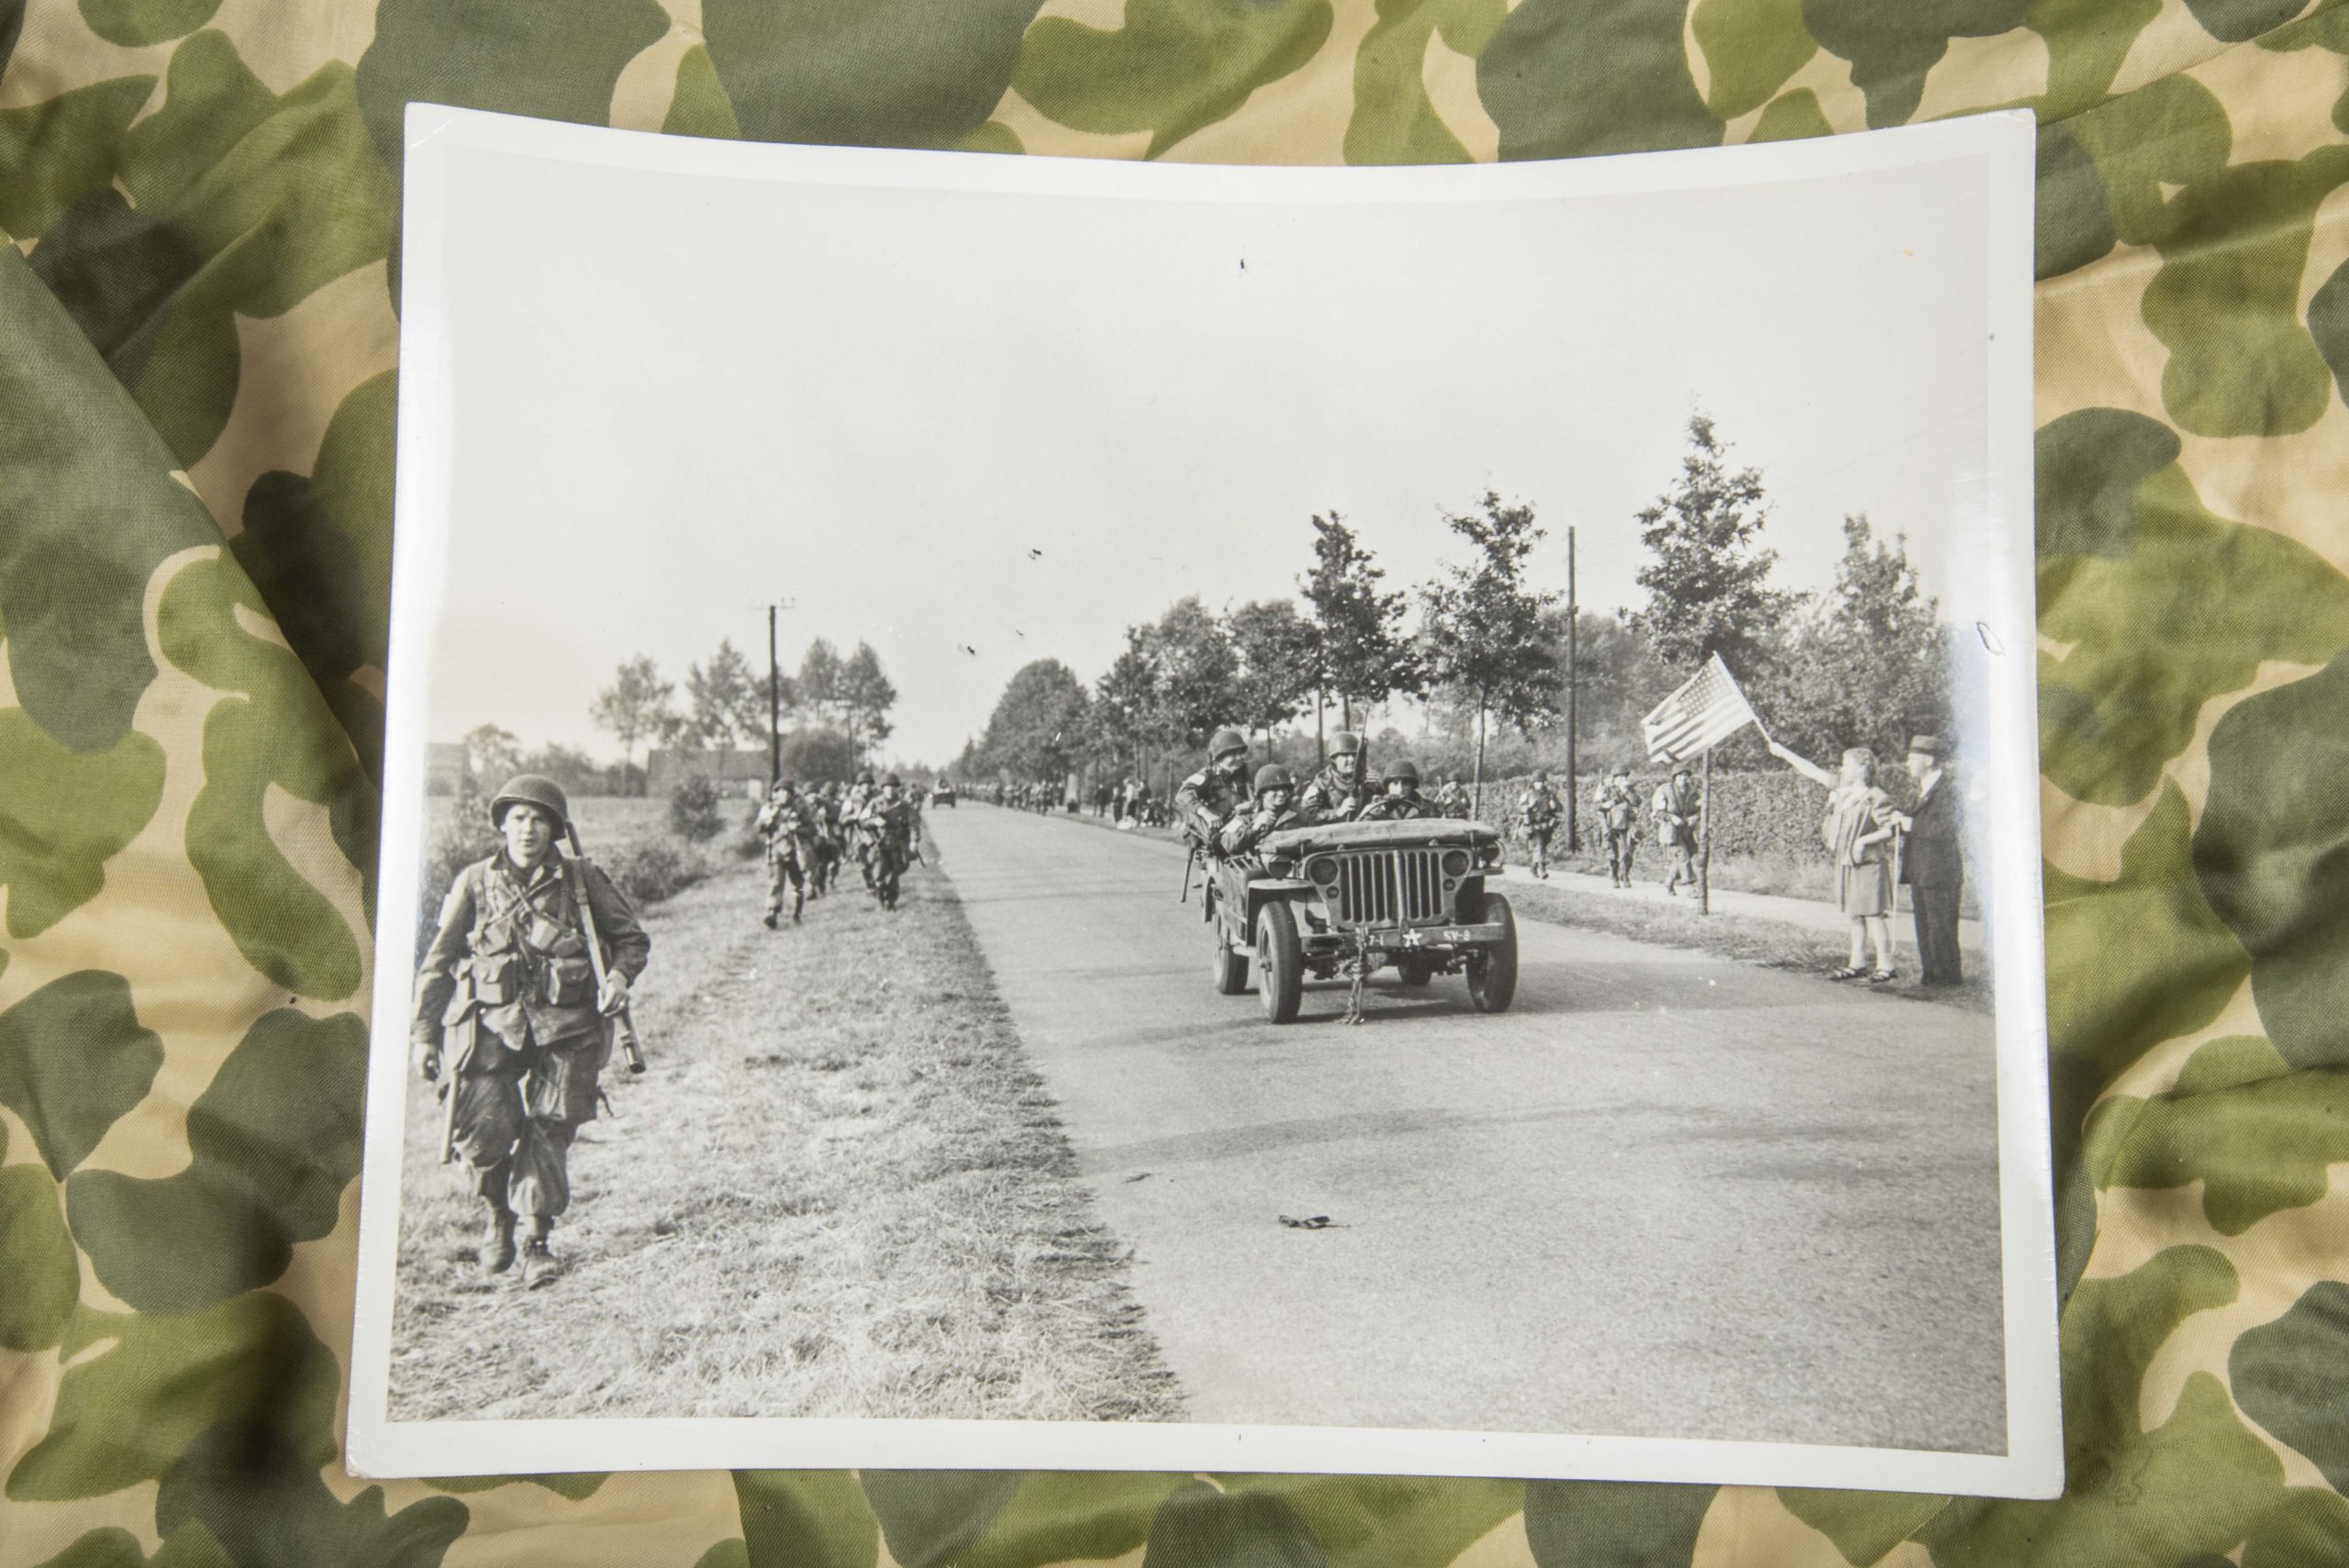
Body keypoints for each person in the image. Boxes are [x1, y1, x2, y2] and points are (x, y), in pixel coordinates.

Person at [413, 774, 650, 1285]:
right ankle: (498, 1216)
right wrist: (424, 1035)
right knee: (484, 1131)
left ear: (555, 829)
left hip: (566, 1025)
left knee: (550, 1125)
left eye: (540, 819)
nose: (528, 829)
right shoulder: (475, 882)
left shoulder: (582, 879)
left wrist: (617, 978)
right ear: (502, 825)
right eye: (519, 818)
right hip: (491, 1026)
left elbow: (632, 940)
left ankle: (537, 1242)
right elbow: (437, 965)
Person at [1765, 735, 1902, 982]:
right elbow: (1811, 770)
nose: (1841, 769)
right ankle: (1857, 963)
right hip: (1847, 862)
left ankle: (1886, 966)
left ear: (1862, 768)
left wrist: (1863, 841)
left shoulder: (1875, 796)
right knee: (1855, 914)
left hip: (1868, 864)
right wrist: (1783, 752)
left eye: (1846, 764)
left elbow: (1890, 829)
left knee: (1873, 914)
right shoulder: (1841, 790)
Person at [1901, 735, 1964, 985]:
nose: (1907, 763)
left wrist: (1911, 825)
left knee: (1941, 925)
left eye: (1912, 758)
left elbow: (1947, 828)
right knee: (1924, 924)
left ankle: (1946, 978)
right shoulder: (1922, 788)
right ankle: (1930, 976)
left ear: (1927, 760)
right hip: (1921, 869)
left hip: (1940, 871)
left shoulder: (1948, 790)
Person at [1174, 728, 1253, 847]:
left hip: (1236, 824)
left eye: (1240, 753)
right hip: (1213, 827)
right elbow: (1182, 794)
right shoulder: (1207, 775)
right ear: (1220, 757)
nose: (1239, 758)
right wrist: (1206, 813)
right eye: (1233, 754)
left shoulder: (1244, 776)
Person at [754, 779, 815, 927]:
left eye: (788, 792)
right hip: (777, 851)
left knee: (797, 884)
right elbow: (758, 827)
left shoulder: (800, 808)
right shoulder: (770, 808)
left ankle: (797, 912)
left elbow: (812, 829)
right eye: (781, 791)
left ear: (792, 794)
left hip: (796, 852)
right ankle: (772, 913)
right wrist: (768, 821)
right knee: (776, 882)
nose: (785, 795)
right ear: (776, 793)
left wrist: (797, 828)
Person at [1219, 763, 1305, 859]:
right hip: (1258, 865)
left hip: (1292, 864)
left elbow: (1313, 840)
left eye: (1285, 788)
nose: (1281, 793)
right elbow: (1228, 844)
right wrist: (1254, 828)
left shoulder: (1300, 814)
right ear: (1263, 792)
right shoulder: (1246, 815)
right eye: (1275, 789)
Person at [1298, 731, 1377, 823]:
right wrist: (1338, 812)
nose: (1352, 759)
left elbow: (1381, 806)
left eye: (1354, 754)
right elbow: (1308, 814)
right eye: (1345, 755)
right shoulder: (1322, 782)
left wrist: (1377, 787)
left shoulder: (1367, 777)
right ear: (1333, 758)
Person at [1651, 763, 1703, 895]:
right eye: (1680, 775)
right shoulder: (1665, 790)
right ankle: (1690, 888)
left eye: (1685, 775)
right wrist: (1671, 817)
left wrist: (1696, 817)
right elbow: (1658, 812)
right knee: (1683, 857)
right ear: (1674, 777)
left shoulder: (1693, 791)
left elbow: (1700, 808)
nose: (1683, 778)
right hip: (1671, 831)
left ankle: (1669, 881)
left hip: (1687, 830)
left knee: (1682, 857)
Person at [1595, 766, 1641, 887]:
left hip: (1626, 823)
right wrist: (1605, 804)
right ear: (1615, 777)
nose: (1623, 779)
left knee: (1628, 851)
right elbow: (1597, 805)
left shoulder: (1628, 788)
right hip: (1610, 823)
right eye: (1621, 776)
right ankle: (1614, 876)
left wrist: (1627, 792)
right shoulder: (1605, 787)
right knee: (1612, 852)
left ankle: (1625, 875)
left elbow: (1637, 802)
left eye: (1625, 776)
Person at [1519, 769, 1564, 879]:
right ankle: (1542, 869)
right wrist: (1529, 807)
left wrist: (1555, 806)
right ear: (1533, 782)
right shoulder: (1528, 794)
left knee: (1542, 846)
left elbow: (1560, 808)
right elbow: (1520, 808)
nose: (1541, 784)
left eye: (1543, 781)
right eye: (1538, 781)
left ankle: (1533, 867)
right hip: (1534, 825)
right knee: (1540, 846)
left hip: (1547, 825)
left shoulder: (1550, 795)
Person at [1356, 759, 1435, 820]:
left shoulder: (1427, 808)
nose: (1400, 789)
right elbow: (1360, 829)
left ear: (1412, 785)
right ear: (1388, 786)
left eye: (1405, 783)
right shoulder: (1379, 806)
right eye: (1395, 783)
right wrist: (1379, 810)